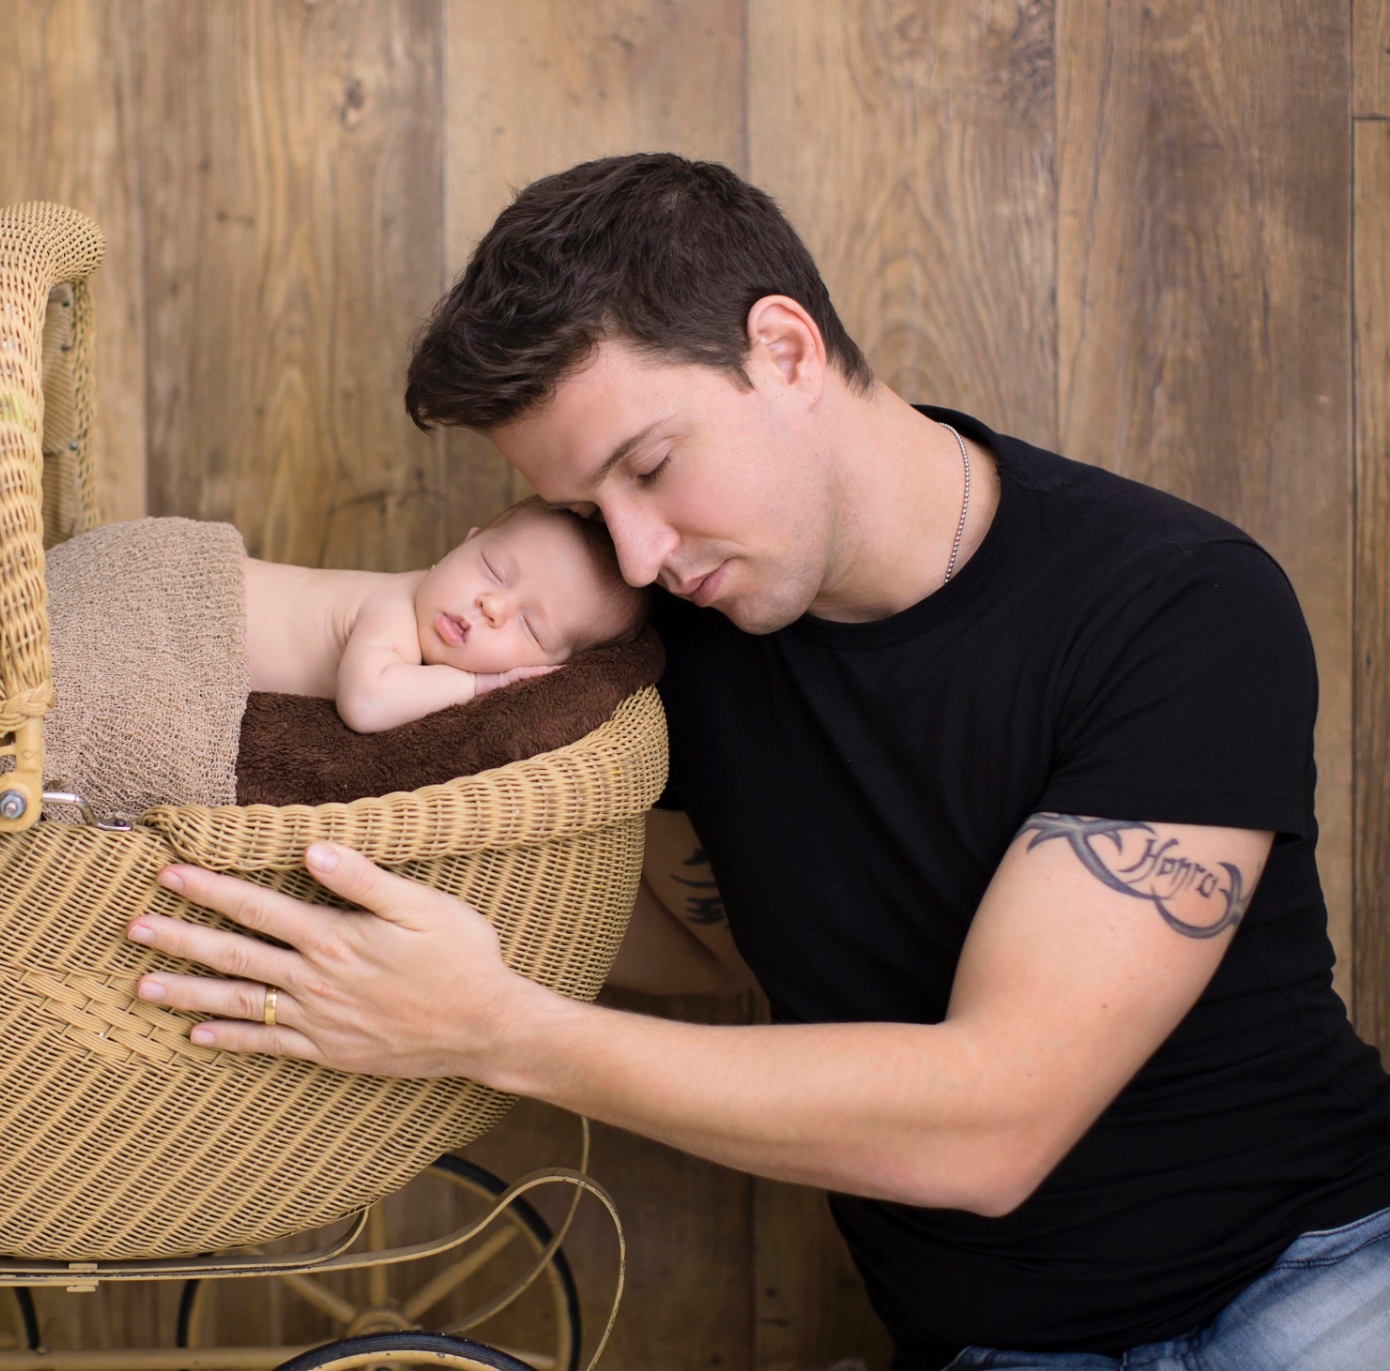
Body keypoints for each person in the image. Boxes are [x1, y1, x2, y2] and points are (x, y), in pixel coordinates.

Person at [122, 154, 1390, 1368]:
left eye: (652, 468)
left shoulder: (1173, 604)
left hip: (1319, 1274)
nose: (629, 554)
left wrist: (494, 1028)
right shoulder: (653, 633)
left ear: (782, 349)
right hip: (995, 1341)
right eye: (586, 511)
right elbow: (689, 929)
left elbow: (996, 1122)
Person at [245, 496, 648, 732]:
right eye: (493, 569)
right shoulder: (395, 608)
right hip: (205, 611)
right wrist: (479, 683)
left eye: (530, 627)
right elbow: (366, 704)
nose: (492, 605)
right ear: (464, 544)